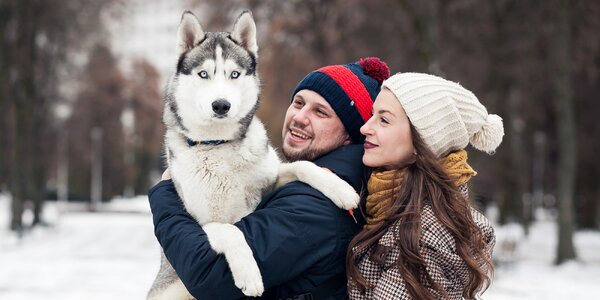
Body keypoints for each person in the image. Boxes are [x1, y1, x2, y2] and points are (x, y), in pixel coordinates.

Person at [148, 57, 390, 299]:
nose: (300, 117)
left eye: (320, 112)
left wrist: (165, 196)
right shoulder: (317, 183)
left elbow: (210, 275)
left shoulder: (314, 209)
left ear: (349, 134)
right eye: (298, 103)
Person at [346, 72, 503, 299]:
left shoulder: (424, 234)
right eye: (372, 115)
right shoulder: (386, 200)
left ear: (421, 143)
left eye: (384, 120)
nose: (365, 128)